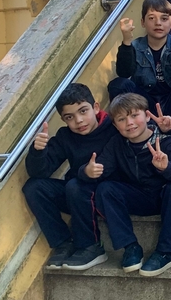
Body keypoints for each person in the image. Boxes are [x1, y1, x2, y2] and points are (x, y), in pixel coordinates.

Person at [79, 93, 171, 278]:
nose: (129, 123)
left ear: (147, 116)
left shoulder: (166, 140)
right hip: (137, 197)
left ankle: (165, 252)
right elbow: (102, 168)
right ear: (115, 125)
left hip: (164, 198)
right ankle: (131, 247)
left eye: (134, 115)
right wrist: (86, 171)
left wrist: (166, 168)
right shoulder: (117, 143)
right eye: (121, 119)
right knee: (106, 189)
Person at [22, 83, 113, 270]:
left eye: (83, 111)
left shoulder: (113, 128)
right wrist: (38, 151)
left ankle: (91, 246)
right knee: (34, 187)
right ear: (63, 120)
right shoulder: (65, 136)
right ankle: (63, 243)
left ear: (96, 107)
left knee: (75, 185)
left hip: (109, 196)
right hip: (77, 196)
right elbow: (41, 172)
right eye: (69, 117)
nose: (79, 121)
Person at [110, 0, 171, 118]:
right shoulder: (135, 46)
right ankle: (128, 122)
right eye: (151, 18)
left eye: (164, 19)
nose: (158, 23)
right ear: (142, 22)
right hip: (144, 101)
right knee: (118, 84)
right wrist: (126, 41)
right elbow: (124, 73)